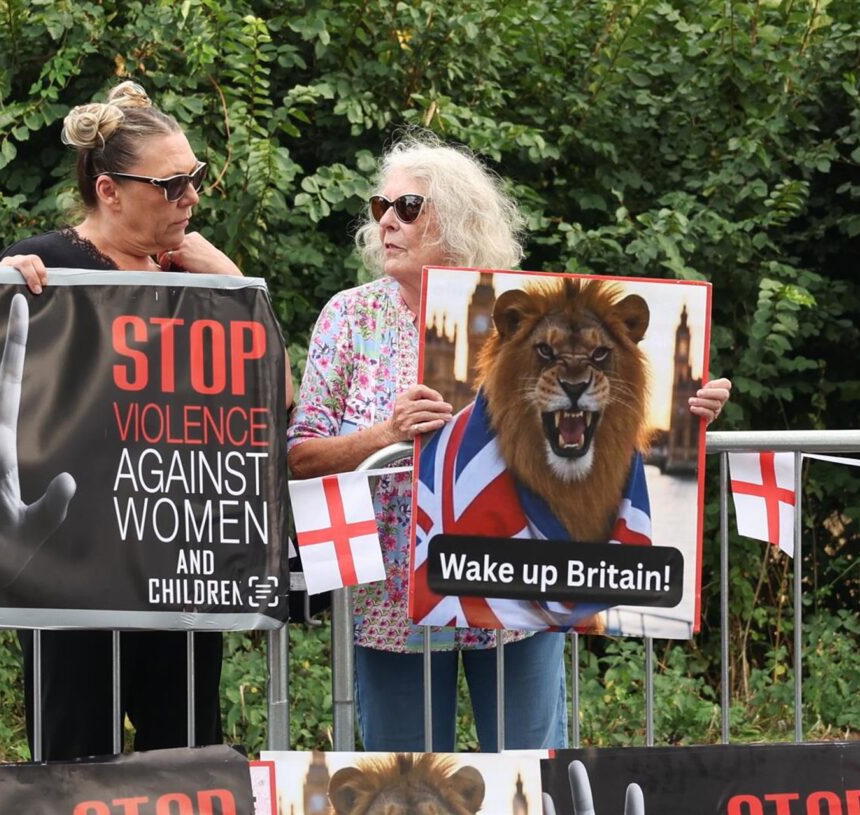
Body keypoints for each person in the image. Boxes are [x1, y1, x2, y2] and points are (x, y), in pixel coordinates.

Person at [287, 132, 731, 752]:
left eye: (408, 207)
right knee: (411, 786)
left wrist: (685, 411)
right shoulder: (348, 317)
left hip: (523, 591)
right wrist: (387, 435)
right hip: (391, 598)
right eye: (379, 207)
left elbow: (616, 411)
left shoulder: (532, 311)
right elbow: (300, 455)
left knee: (529, 775)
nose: (387, 220)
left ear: (459, 219)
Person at [0, 81, 248, 760]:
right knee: (75, 760)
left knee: (187, 756)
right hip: (71, 570)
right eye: (172, 185)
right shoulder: (46, 265)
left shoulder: (193, 271)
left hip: (176, 557)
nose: (192, 196)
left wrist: (231, 281)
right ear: (110, 191)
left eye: (194, 177)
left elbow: (270, 403)